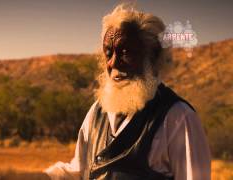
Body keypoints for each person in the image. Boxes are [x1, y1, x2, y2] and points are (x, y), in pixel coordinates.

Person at [44, 4, 211, 180]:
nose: (114, 63)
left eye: (125, 53)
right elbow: (79, 171)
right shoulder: (97, 112)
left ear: (153, 57)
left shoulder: (178, 118)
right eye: (109, 53)